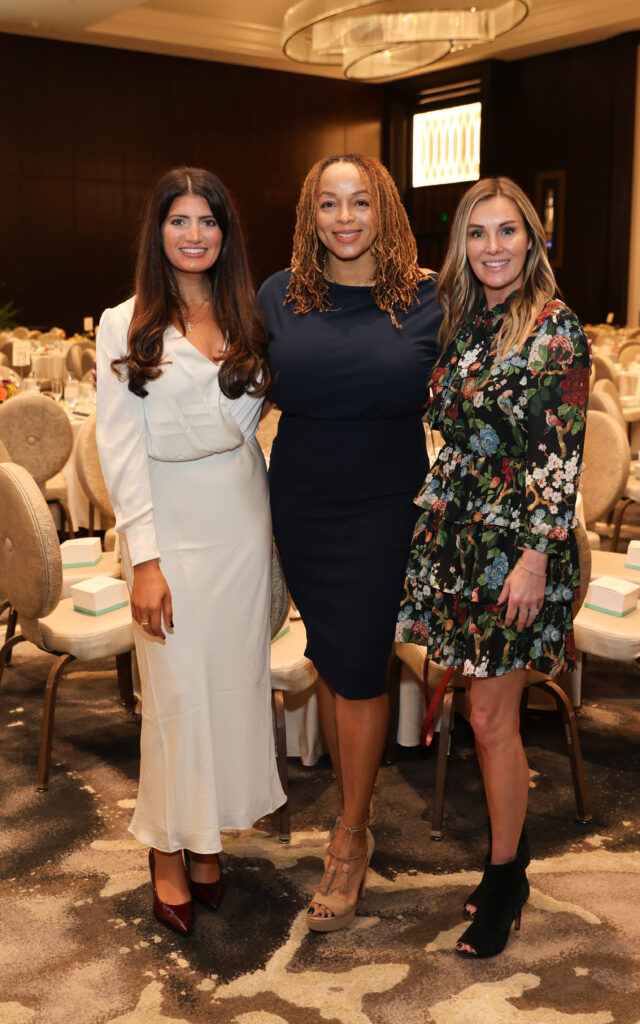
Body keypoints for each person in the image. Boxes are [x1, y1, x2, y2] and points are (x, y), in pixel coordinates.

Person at [396, 176, 590, 959]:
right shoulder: (464, 319)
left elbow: (560, 457)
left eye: (507, 230)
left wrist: (535, 558)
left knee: (488, 719)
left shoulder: (553, 328)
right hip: (460, 539)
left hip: (516, 548)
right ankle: (509, 855)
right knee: (480, 715)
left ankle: (506, 878)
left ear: (532, 238)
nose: (492, 247)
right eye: (476, 233)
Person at [96, 167, 284, 936]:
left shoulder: (249, 315)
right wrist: (144, 559)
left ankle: (209, 839)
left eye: (208, 220)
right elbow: (118, 448)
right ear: (158, 230)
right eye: (180, 220)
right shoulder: (124, 322)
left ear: (224, 233)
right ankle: (166, 849)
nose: (195, 234)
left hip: (239, 516)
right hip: (168, 525)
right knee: (174, 697)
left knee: (232, 688)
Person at [259, 154, 442, 932]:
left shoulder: (429, 298)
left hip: (384, 506)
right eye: (328, 204)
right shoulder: (277, 295)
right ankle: (350, 806)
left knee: (360, 669)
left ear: (383, 211)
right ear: (311, 215)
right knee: (333, 663)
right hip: (302, 503)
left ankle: (351, 834)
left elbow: (488, 369)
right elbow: (227, 381)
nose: (344, 218)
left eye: (359, 202)